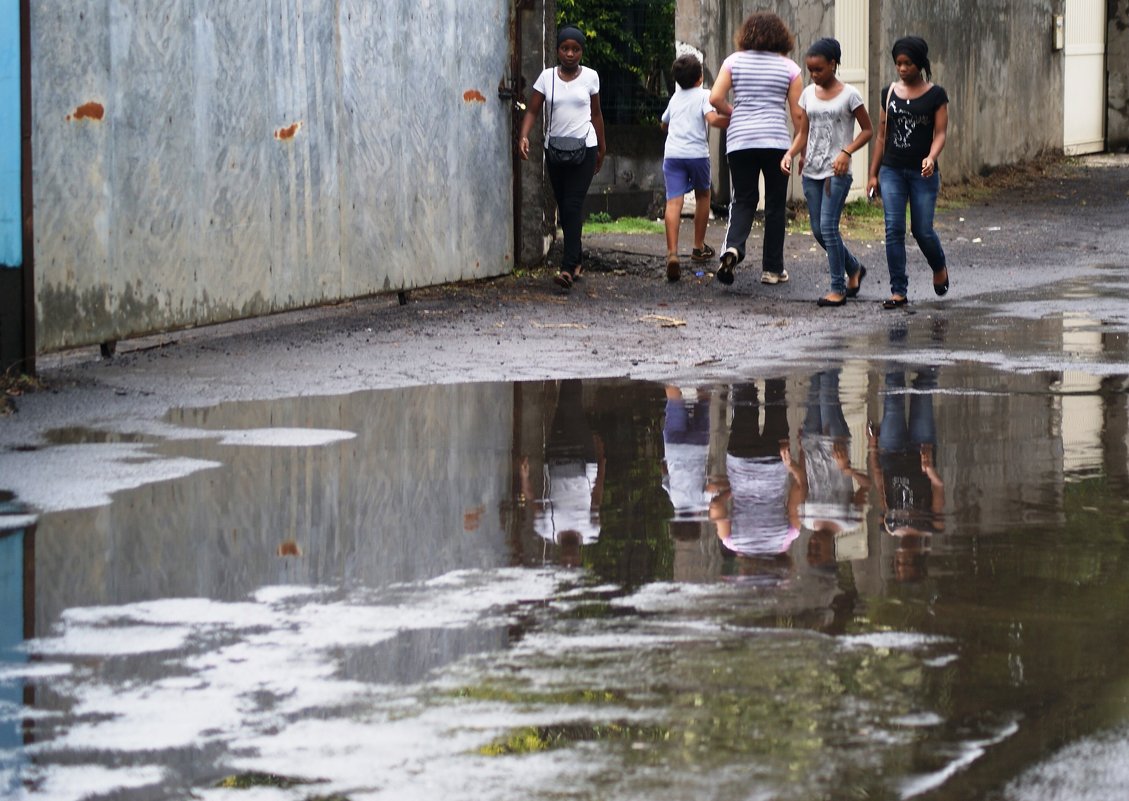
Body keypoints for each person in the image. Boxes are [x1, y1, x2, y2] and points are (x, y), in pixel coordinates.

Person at [708, 12, 803, 287]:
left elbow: (715, 97)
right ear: (781, 36)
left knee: (744, 199)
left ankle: (733, 248)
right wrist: (801, 149)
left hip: (740, 141)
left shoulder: (733, 61)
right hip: (775, 142)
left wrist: (734, 112)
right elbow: (798, 116)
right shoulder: (790, 68)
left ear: (747, 34)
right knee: (775, 205)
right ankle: (772, 270)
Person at [782, 38, 873, 307]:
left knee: (829, 229)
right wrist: (791, 153)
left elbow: (867, 130)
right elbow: (803, 132)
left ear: (833, 64)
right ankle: (854, 268)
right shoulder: (808, 94)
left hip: (836, 171)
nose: (814, 75)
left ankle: (838, 288)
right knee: (818, 231)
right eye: (810, 70)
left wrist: (846, 152)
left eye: (819, 69)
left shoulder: (850, 95)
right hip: (811, 170)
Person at [518, 26, 607, 291]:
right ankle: (576, 259)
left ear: (581, 51)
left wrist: (602, 146)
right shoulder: (547, 78)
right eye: (565, 48)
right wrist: (524, 136)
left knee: (571, 204)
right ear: (557, 50)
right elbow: (533, 110)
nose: (570, 54)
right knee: (565, 205)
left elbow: (597, 114)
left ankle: (568, 269)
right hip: (554, 150)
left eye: (575, 49)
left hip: (585, 148)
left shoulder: (591, 77)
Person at [866, 36, 951, 309]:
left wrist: (931, 157)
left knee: (922, 230)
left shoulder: (936, 95)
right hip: (892, 169)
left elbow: (940, 133)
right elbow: (881, 136)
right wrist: (873, 173)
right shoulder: (888, 93)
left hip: (922, 173)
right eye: (898, 63)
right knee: (893, 228)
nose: (902, 68)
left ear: (919, 63)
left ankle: (938, 266)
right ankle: (898, 291)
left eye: (908, 63)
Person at [660, 55, 729, 282]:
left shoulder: (675, 98)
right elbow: (712, 119)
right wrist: (733, 118)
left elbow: (664, 123)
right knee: (703, 195)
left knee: (673, 202)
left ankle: (672, 253)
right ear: (700, 78)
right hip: (697, 155)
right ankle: (698, 247)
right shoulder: (704, 95)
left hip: (673, 154)